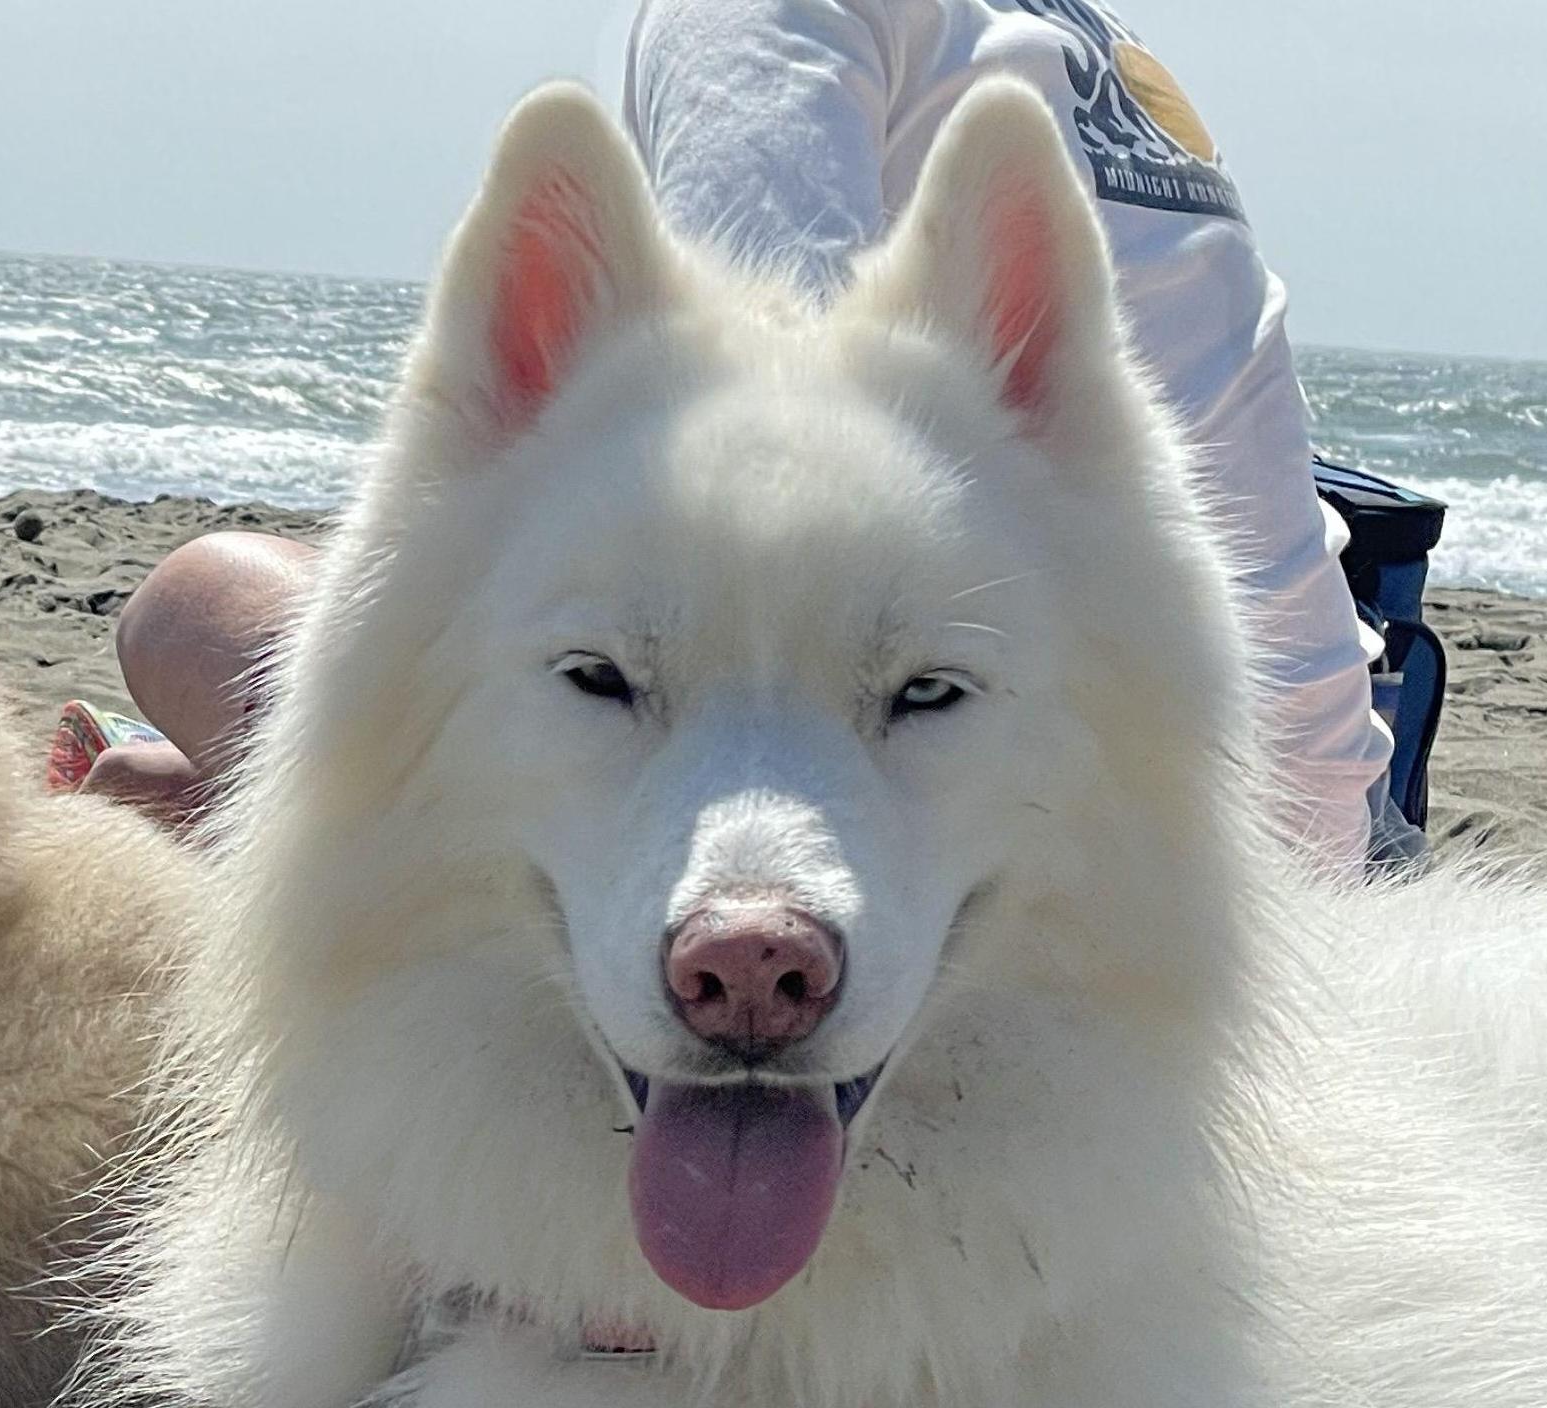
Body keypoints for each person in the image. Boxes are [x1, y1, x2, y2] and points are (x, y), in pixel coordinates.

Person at [91, 0, 1396, 870]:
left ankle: (240, 815)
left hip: (1109, 844)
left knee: (194, 604)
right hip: (1331, 820)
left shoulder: (754, 21)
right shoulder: (1081, 49)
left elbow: (783, 469)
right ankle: (233, 803)